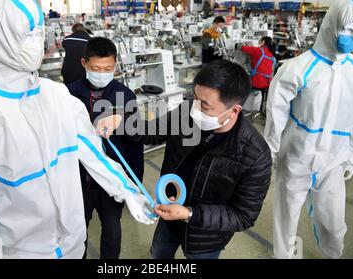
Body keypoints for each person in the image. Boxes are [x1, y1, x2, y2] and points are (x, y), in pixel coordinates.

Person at [0, 0, 153, 259]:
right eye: (26, 35)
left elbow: (94, 152)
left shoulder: (58, 96)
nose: (36, 43)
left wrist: (126, 189)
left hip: (73, 244)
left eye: (39, 33)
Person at [98, 59, 272, 259]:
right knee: (158, 255)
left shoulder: (255, 156)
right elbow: (150, 132)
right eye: (194, 97)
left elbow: (243, 216)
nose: (195, 108)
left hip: (205, 237)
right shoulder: (186, 112)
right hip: (167, 215)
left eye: (204, 105)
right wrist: (121, 121)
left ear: (234, 110)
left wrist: (189, 213)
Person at [265, 0, 353, 259]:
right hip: (295, 159)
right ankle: (283, 256)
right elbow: (275, 113)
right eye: (345, 28)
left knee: (334, 223)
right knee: (286, 218)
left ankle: (333, 254)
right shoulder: (296, 69)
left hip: (334, 163)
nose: (351, 36)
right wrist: (270, 150)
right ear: (331, 25)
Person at [67, 37, 144, 259]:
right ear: (84, 64)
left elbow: (134, 143)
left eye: (108, 68)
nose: (102, 73)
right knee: (76, 230)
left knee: (112, 230)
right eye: (96, 68)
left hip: (111, 181)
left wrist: (133, 183)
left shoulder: (125, 96)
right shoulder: (68, 95)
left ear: (116, 64)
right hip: (78, 180)